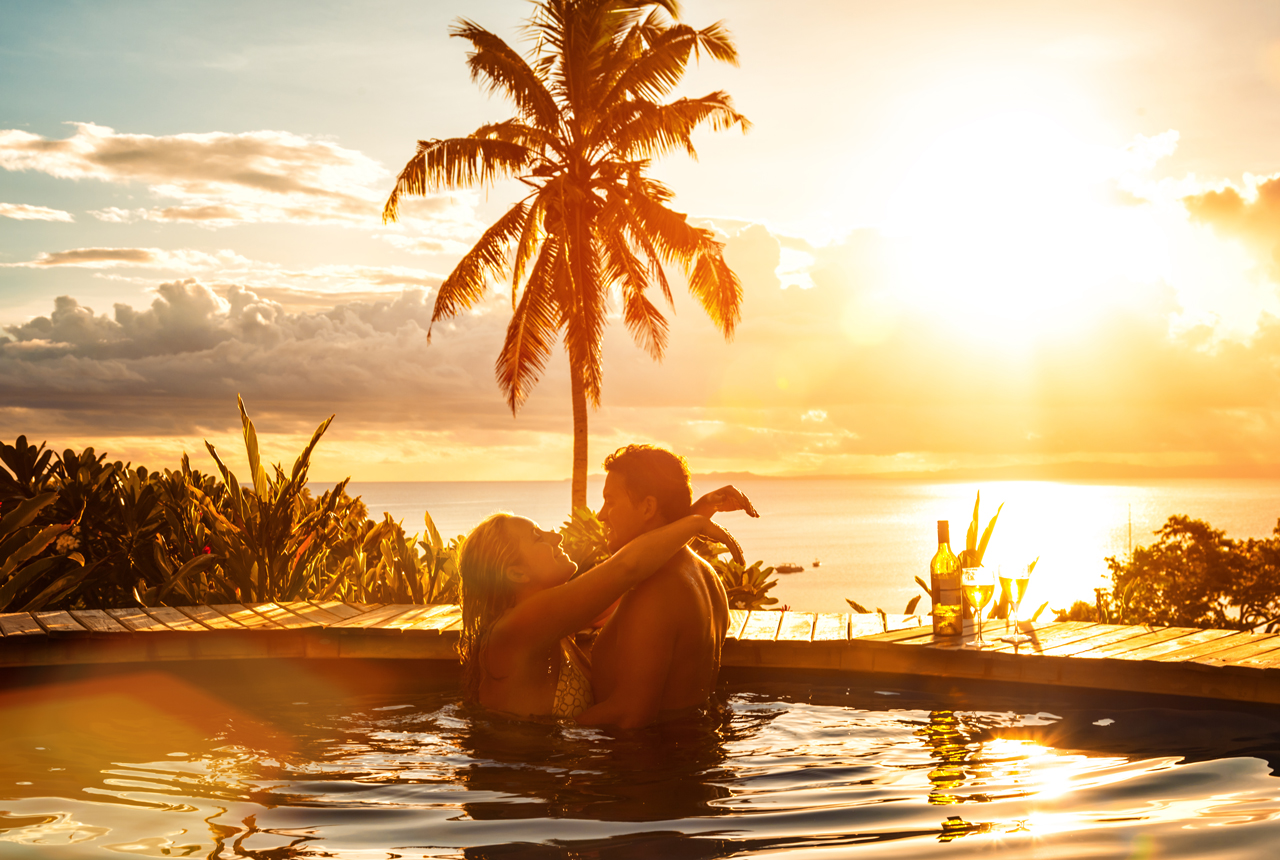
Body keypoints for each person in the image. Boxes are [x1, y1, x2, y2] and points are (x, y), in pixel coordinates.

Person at [457, 508, 742, 721]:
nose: (555, 536)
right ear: (516, 573)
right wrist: (695, 523)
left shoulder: (554, 625)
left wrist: (690, 513)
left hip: (544, 780)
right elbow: (626, 568)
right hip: (519, 791)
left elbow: (633, 574)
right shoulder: (517, 626)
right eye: (537, 537)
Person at [576, 445, 758, 729]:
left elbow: (630, 716)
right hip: (688, 751)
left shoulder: (654, 592)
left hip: (648, 766)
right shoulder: (705, 575)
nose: (601, 515)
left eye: (609, 502)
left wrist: (555, 730)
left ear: (648, 507)